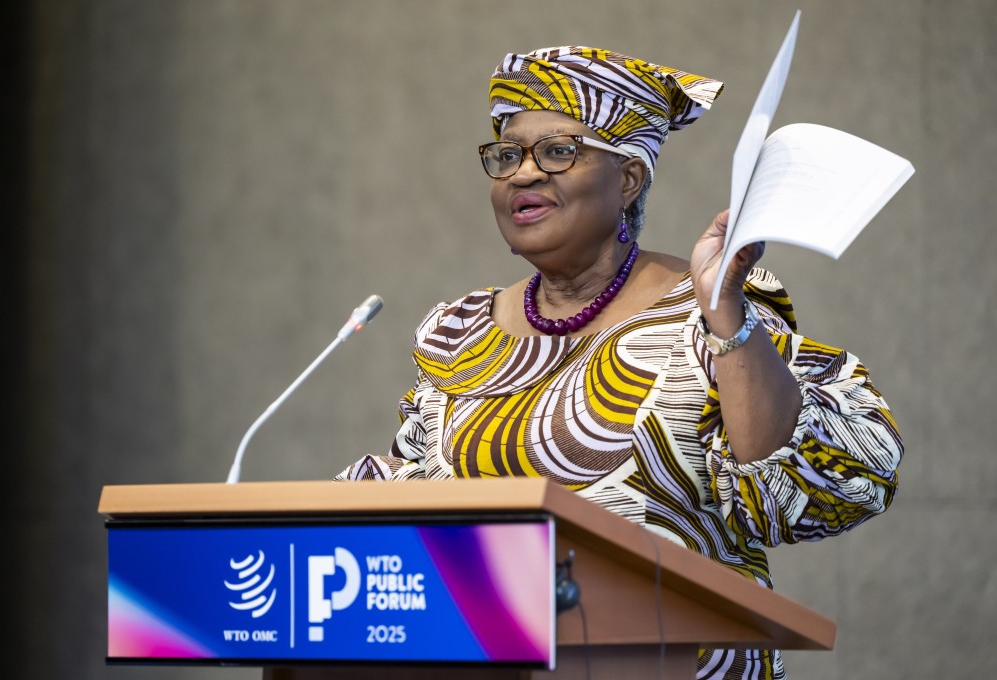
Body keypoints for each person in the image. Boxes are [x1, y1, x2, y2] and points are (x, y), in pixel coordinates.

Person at [337, 46, 902, 679]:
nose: (523, 174)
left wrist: (727, 314)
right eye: (507, 154)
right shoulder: (458, 332)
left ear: (629, 178)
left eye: (557, 150)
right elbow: (416, 498)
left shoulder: (706, 305)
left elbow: (816, 492)